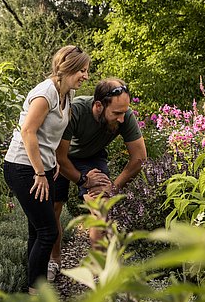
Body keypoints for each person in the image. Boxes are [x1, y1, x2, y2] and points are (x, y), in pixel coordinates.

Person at [3, 45, 90, 295]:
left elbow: (49, 136)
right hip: (23, 167)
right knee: (48, 230)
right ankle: (36, 293)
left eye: (86, 71)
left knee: (38, 230)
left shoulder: (66, 93)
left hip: (43, 168)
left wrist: (50, 163)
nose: (85, 76)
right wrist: (40, 172)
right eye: (81, 71)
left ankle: (33, 289)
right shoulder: (45, 94)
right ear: (68, 68)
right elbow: (28, 131)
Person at [48, 78, 147, 281]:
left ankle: (99, 270)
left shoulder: (124, 115)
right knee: (54, 208)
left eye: (124, 112)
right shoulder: (75, 111)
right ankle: (54, 260)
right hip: (59, 158)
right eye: (116, 113)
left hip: (91, 157)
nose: (122, 118)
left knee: (101, 207)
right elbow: (61, 157)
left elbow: (139, 158)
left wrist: (112, 187)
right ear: (99, 105)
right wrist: (84, 180)